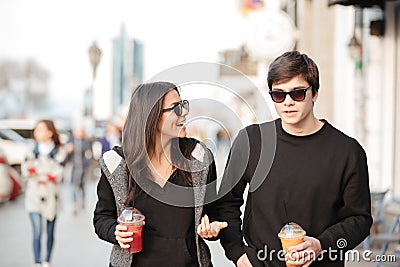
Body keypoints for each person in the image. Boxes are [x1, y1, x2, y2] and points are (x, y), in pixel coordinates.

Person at [206, 51, 373, 267]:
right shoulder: (251, 141)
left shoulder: (347, 151)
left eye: (298, 93)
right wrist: (238, 255)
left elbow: (360, 220)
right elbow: (226, 204)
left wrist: (322, 245)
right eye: (278, 95)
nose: (287, 102)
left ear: (315, 93)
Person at [93, 81, 227, 267]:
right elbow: (101, 218)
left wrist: (211, 228)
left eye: (183, 105)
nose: (185, 112)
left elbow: (212, 214)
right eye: (176, 108)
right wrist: (116, 231)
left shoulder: (200, 159)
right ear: (151, 116)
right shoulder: (117, 164)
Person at [22, 120, 66, 267]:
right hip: (33, 195)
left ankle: (47, 260)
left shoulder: (59, 151)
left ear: (50, 132)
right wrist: (44, 174)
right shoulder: (31, 150)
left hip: (52, 196)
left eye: (40, 129)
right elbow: (26, 170)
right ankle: (37, 261)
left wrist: (39, 173)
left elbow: (58, 174)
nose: (36, 132)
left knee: (50, 231)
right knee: (37, 230)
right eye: (36, 129)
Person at [65, 126, 92, 215]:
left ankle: (83, 200)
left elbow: (89, 155)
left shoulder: (86, 142)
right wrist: (68, 151)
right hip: (74, 167)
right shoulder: (70, 142)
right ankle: (74, 204)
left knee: (82, 186)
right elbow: (65, 156)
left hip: (83, 168)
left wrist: (86, 163)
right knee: (73, 186)